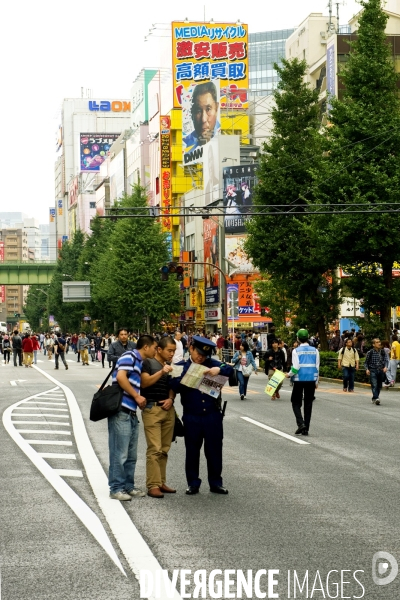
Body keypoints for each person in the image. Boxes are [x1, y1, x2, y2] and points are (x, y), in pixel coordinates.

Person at [169, 336, 233, 496]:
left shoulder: (213, 364)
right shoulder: (180, 366)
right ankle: (193, 483)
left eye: (204, 355)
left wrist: (220, 370)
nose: (201, 357)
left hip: (212, 415)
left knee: (214, 451)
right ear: (190, 348)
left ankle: (216, 482)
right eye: (198, 353)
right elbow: (174, 386)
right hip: (192, 416)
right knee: (192, 451)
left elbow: (231, 370)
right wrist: (188, 372)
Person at [108, 335, 157, 501]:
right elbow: (121, 377)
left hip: (131, 413)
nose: (155, 350)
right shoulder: (129, 356)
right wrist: (137, 396)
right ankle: (116, 488)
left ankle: (128, 486)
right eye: (154, 347)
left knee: (131, 455)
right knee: (119, 453)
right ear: (146, 347)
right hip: (121, 410)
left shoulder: (139, 361)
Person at [141, 337, 176, 498]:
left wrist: (171, 398)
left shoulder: (170, 366)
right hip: (152, 408)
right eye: (169, 350)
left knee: (164, 449)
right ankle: (152, 485)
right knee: (154, 448)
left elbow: (172, 386)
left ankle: (161, 481)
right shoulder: (148, 363)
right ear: (159, 350)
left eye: (174, 351)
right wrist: (162, 371)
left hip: (168, 409)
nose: (172, 353)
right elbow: (144, 383)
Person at [286, 329, 319, 436]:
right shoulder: (315, 350)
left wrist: (289, 374)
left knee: (295, 402)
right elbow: (317, 366)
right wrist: (316, 381)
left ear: (298, 338)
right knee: (308, 404)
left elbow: (296, 367)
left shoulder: (296, 351)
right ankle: (306, 428)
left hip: (299, 379)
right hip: (311, 380)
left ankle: (301, 424)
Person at [183, 81, 220, 151]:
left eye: (208, 109)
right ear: (192, 113)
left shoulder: (225, 136)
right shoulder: (185, 145)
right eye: (198, 111)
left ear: (216, 108)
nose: (203, 119)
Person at [365, 339, 389, 405]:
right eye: (377, 342)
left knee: (379, 385)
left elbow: (386, 360)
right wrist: (367, 369)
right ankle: (376, 398)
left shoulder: (383, 352)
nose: (379, 343)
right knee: (374, 384)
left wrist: (385, 367)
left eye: (379, 342)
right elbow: (366, 362)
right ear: (373, 344)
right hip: (373, 370)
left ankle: (374, 398)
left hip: (381, 370)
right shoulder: (370, 352)